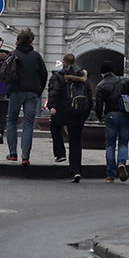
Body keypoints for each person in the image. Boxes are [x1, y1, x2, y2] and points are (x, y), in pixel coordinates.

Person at [4, 28, 48, 165]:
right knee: (28, 124)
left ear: (18, 40)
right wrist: (38, 91)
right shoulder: (36, 56)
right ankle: (25, 157)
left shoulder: (12, 54)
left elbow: (5, 74)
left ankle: (12, 153)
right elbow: (44, 74)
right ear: (31, 41)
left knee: (11, 121)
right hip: (32, 93)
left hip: (15, 92)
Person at [47, 53, 91, 182]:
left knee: (55, 127)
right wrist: (85, 113)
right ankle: (76, 171)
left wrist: (52, 106)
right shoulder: (83, 76)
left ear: (64, 62)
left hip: (63, 112)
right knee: (76, 141)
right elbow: (88, 94)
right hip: (78, 113)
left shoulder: (59, 76)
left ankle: (60, 154)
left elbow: (53, 92)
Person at [94, 61, 129, 183]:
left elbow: (98, 105)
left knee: (110, 145)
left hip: (110, 117)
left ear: (102, 73)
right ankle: (121, 162)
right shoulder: (124, 80)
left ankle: (110, 175)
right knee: (123, 143)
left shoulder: (100, 85)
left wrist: (99, 117)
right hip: (125, 116)